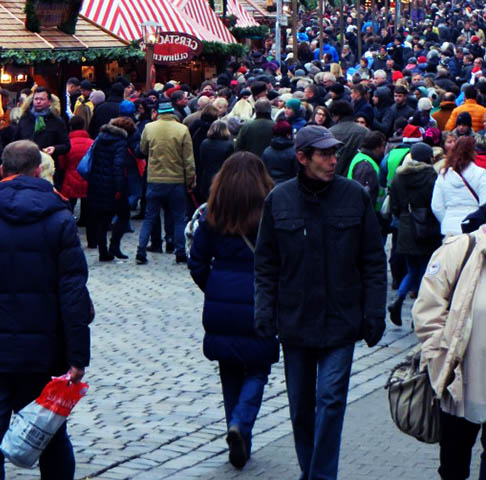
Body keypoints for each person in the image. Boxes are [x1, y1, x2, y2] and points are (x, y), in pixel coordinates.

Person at [0, 140, 93, 480]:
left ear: (2, 171)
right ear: (39, 170)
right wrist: (77, 357)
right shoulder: (59, 218)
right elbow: (73, 293)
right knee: (52, 435)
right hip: (44, 350)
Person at [254, 125, 387, 480]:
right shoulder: (279, 199)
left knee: (330, 400)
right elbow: (266, 264)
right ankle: (310, 469)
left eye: (334, 153)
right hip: (295, 321)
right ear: (302, 157)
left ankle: (321, 476)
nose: (333, 160)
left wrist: (374, 312)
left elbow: (373, 260)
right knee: (301, 409)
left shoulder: (353, 196)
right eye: (325, 154)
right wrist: (264, 311)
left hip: (341, 319)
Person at [188, 152, 279, 469]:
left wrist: (213, 288)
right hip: (259, 298)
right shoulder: (270, 210)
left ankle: (236, 432)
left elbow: (196, 261)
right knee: (257, 368)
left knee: (229, 370)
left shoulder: (213, 215)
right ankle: (241, 423)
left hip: (221, 302)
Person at [413, 226, 486, 479]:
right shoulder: (459, 250)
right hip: (460, 383)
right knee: (453, 465)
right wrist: (439, 360)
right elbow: (428, 309)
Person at [136, 101, 195, 265]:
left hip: (154, 179)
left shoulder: (149, 128)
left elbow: (142, 149)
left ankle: (141, 250)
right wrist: (191, 180)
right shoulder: (182, 129)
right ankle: (180, 251)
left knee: (149, 217)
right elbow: (188, 159)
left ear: (158, 113)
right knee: (179, 218)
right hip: (176, 180)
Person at [387, 143, 439, 326]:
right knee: (425, 271)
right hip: (425, 227)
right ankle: (418, 311)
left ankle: (399, 299)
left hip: (405, 225)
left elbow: (394, 203)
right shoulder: (431, 176)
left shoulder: (399, 176)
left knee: (412, 269)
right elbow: (436, 204)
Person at [86, 117, 135, 261]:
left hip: (97, 183)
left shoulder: (100, 138)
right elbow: (118, 166)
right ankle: (114, 246)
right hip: (113, 185)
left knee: (102, 219)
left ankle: (103, 252)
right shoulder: (120, 142)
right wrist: (120, 188)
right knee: (124, 215)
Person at [432, 136, 486, 236]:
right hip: (473, 228)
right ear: (473, 152)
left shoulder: (443, 174)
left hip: (449, 228)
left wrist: (447, 220)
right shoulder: (481, 174)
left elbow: (436, 206)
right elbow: (484, 204)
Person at [16, 87, 71, 166]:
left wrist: (55, 148)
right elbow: (15, 140)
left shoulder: (57, 121)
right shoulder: (25, 119)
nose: (38, 101)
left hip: (48, 165)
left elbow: (66, 145)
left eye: (42, 99)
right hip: (26, 164)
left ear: (49, 102)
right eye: (36, 99)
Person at [196, 120, 234, 203]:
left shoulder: (204, 143)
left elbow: (202, 160)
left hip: (206, 177)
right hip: (222, 178)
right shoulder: (229, 145)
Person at [329, 100, 369, 175]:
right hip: (359, 175)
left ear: (336, 116)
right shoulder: (365, 131)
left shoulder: (330, 132)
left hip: (336, 176)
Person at [261, 120, 298, 185]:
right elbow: (297, 172)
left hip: (271, 186)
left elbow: (263, 172)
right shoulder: (293, 152)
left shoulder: (267, 151)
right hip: (289, 187)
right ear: (288, 135)